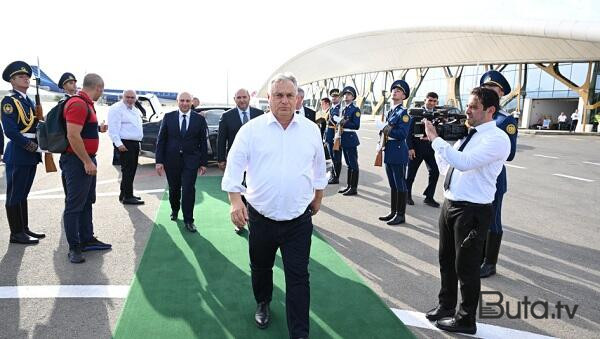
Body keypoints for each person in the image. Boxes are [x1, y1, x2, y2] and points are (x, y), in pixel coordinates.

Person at [222, 73, 326, 339]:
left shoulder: (311, 130)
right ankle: (263, 301)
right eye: (278, 95)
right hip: (261, 218)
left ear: (297, 98)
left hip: (298, 220)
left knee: (298, 277)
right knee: (261, 267)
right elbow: (234, 169)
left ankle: (299, 333)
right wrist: (235, 201)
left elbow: (318, 168)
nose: (284, 101)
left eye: (290, 95)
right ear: (268, 99)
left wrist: (319, 197)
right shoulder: (251, 130)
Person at [424, 87, 510, 335]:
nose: (467, 111)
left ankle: (466, 318)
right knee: (446, 261)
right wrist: (436, 145)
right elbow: (448, 168)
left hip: (473, 211)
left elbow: (464, 162)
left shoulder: (496, 138)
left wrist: (436, 140)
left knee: (467, 268)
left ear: (490, 110)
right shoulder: (467, 135)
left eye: (473, 106)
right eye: (468, 105)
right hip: (451, 204)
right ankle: (446, 306)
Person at [61, 73, 111, 263]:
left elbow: (82, 130)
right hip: (77, 161)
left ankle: (87, 238)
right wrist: (86, 161)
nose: (101, 92)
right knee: (74, 205)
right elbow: (73, 135)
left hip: (86, 159)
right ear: (98, 87)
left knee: (87, 201)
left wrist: (97, 130)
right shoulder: (78, 103)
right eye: (102, 89)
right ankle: (74, 247)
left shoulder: (87, 104)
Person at [479, 70, 518, 278]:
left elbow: (510, 154)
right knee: (478, 218)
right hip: (476, 175)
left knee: (492, 219)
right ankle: (480, 256)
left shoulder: (505, 121)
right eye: (485, 88)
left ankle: (490, 263)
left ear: (501, 92)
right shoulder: (477, 115)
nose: (488, 91)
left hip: (494, 176)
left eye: (492, 88)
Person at [1, 61, 44, 244]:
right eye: (21, 76)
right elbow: (10, 131)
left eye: (27, 76)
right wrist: (30, 146)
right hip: (19, 152)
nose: (26, 78)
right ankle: (15, 233)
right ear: (12, 81)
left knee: (23, 193)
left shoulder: (29, 101)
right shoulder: (9, 101)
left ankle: (23, 228)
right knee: (15, 194)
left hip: (31, 154)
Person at [155, 92, 208, 233]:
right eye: (182, 100)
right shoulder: (168, 117)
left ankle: (189, 220)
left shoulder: (199, 120)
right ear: (177, 101)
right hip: (171, 160)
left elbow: (203, 142)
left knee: (189, 190)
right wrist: (159, 161)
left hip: (191, 161)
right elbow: (161, 140)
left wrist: (203, 162)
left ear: (192, 102)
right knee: (174, 189)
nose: (184, 103)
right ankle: (174, 209)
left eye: (187, 101)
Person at [216, 88, 264, 234]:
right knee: (237, 190)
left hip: (257, 160)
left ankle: (256, 219)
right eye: (239, 97)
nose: (242, 100)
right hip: (237, 161)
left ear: (249, 98)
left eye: (244, 97)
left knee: (255, 189)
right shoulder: (227, 116)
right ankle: (240, 220)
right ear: (234, 99)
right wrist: (221, 159)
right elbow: (221, 139)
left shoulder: (259, 114)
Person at [377, 80, 411, 225]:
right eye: (394, 90)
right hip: (389, 150)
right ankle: (393, 212)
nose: (395, 92)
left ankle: (400, 214)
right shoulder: (391, 111)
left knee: (400, 184)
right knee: (392, 184)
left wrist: (385, 127)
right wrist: (380, 142)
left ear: (404, 96)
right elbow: (385, 131)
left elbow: (402, 134)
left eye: (398, 91)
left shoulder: (404, 113)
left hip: (398, 151)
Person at [108, 90, 144, 205]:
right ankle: (128, 197)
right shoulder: (117, 108)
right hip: (125, 143)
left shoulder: (134, 109)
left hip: (134, 143)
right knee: (128, 171)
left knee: (131, 170)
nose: (130, 99)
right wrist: (119, 144)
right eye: (127, 97)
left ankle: (125, 194)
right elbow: (113, 128)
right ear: (122, 97)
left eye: (132, 97)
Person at [406, 92, 441, 208]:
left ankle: (429, 197)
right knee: (411, 173)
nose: (432, 103)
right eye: (430, 100)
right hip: (417, 148)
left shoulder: (438, 114)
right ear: (425, 100)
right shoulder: (416, 113)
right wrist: (410, 148)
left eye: (434, 101)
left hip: (431, 149)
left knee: (435, 171)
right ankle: (407, 195)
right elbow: (408, 133)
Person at [337, 86, 361, 196]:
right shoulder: (344, 108)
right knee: (348, 163)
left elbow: (356, 125)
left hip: (350, 138)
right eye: (345, 94)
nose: (346, 96)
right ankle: (349, 186)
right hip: (344, 137)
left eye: (349, 94)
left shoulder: (355, 110)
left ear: (353, 97)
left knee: (353, 164)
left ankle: (354, 187)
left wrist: (344, 122)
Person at [324, 89, 342, 184]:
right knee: (332, 156)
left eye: (336, 96)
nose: (334, 98)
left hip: (335, 135)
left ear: (339, 98)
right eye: (333, 96)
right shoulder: (331, 108)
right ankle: (333, 174)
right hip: (329, 134)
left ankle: (336, 177)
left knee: (336, 157)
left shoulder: (340, 109)